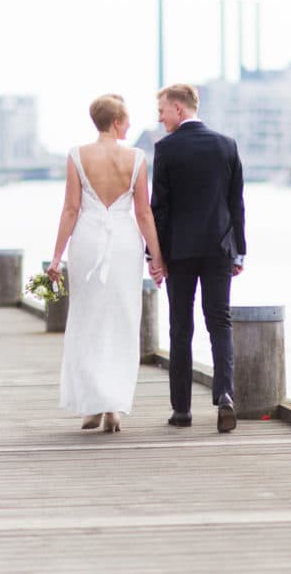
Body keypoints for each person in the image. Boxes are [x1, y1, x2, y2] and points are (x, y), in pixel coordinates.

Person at [47, 94, 164, 433]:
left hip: (87, 239)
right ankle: (113, 406)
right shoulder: (137, 158)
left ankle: (92, 407)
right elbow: (143, 212)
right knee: (122, 319)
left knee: (87, 319)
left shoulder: (76, 155)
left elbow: (71, 209)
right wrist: (157, 257)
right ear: (116, 121)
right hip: (125, 242)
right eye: (126, 119)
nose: (128, 125)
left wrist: (56, 256)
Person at [150, 84, 246, 433]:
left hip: (180, 251)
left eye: (162, 110)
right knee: (219, 323)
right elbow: (236, 203)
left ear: (178, 108)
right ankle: (225, 396)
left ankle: (182, 411)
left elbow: (158, 208)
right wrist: (240, 250)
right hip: (220, 248)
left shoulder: (166, 149)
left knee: (181, 328)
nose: (160, 118)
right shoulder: (226, 145)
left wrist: (154, 255)